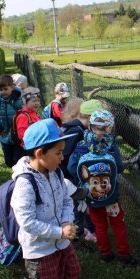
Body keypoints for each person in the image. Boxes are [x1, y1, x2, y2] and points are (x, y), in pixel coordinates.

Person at [11, 119, 81, 279]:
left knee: (72, 274)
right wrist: (59, 231)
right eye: (59, 153)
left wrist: (66, 222)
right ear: (41, 153)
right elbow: (27, 222)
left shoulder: (56, 172)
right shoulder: (25, 184)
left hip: (62, 241)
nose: (62, 157)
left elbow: (66, 199)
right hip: (40, 250)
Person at [68, 110, 138, 265]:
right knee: (118, 224)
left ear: (90, 126)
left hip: (91, 197)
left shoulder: (82, 144)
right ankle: (124, 254)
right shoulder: (111, 145)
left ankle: (105, 254)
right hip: (111, 197)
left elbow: (72, 167)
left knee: (99, 226)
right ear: (110, 128)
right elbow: (118, 167)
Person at [60, 99, 103, 242]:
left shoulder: (71, 127)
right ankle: (77, 234)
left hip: (67, 174)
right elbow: (66, 155)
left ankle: (82, 229)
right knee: (77, 204)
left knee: (77, 203)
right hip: (69, 175)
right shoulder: (77, 131)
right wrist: (76, 176)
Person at [0, 74, 23, 168]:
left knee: (18, 161)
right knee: (9, 161)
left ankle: (20, 177)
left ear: (12, 87)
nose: (3, 92)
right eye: (1, 90)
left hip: (18, 136)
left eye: (5, 89)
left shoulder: (19, 99)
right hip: (4, 135)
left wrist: (15, 100)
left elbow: (25, 112)